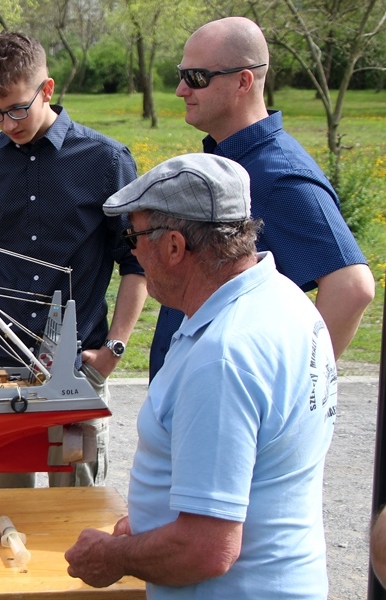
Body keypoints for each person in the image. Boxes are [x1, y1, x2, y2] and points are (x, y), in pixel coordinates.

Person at [65, 153, 337, 598]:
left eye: (133, 236)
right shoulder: (283, 299)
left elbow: (206, 549)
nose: (131, 251)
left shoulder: (223, 355)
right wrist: (153, 525)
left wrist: (112, 556)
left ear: (174, 246)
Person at [0, 32, 146, 488]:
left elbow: (138, 265)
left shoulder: (106, 160)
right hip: (1, 365)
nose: (7, 123)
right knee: (4, 508)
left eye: (17, 108)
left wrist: (112, 351)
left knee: (76, 506)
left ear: (48, 89)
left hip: (80, 363)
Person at [149, 15, 375, 380]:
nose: (180, 90)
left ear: (243, 81)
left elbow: (352, 288)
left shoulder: (278, 175)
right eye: (182, 74)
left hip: (230, 410)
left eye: (196, 78)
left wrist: (292, 387)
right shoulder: (234, 159)